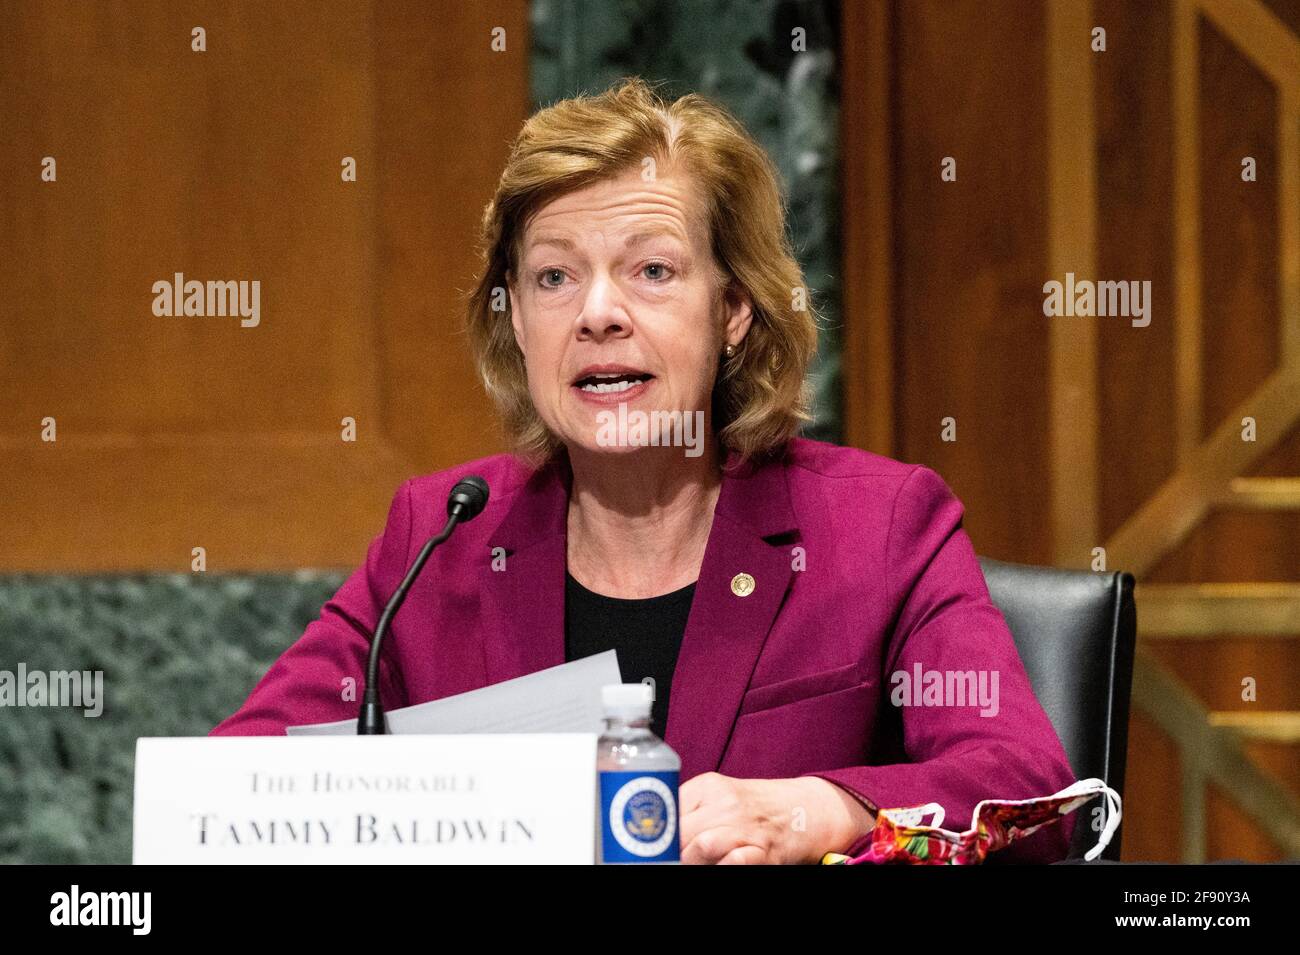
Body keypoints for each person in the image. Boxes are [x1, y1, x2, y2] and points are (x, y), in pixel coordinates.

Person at [212, 76, 1078, 864]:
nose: (596, 314)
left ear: (734, 310)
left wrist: (824, 810)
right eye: (554, 276)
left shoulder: (880, 526)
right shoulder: (443, 535)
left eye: (652, 270)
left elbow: (1028, 785)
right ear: (516, 322)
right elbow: (234, 787)